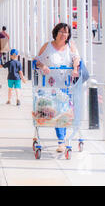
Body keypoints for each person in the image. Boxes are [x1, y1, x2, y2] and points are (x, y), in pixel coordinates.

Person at [34, 23, 80, 153]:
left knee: (63, 111)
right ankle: (61, 140)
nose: (64, 35)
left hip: (65, 85)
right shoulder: (47, 46)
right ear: (56, 32)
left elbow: (76, 58)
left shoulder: (70, 46)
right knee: (55, 111)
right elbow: (37, 60)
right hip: (49, 86)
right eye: (61, 32)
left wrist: (75, 68)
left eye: (66, 33)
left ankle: (61, 141)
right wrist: (42, 66)